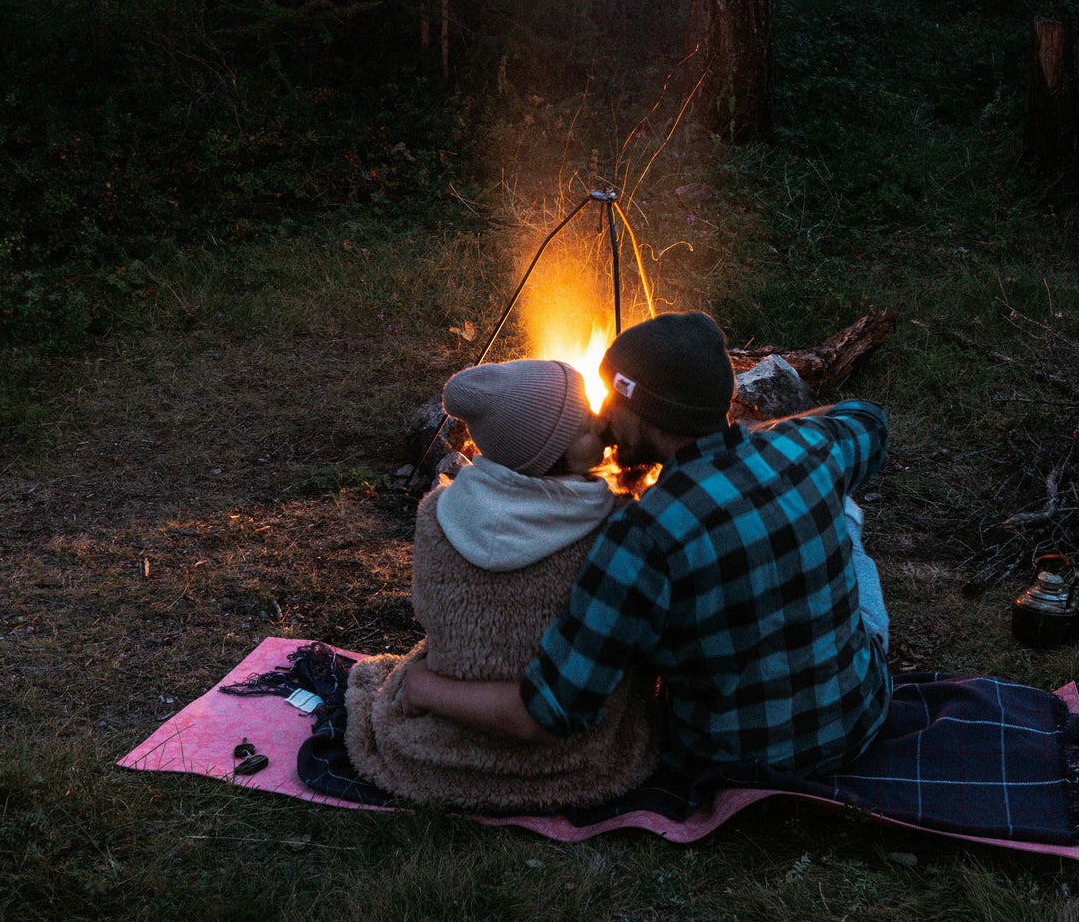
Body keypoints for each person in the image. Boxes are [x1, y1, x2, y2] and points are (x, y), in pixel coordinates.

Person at [401, 311, 893, 780]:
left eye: (613, 403)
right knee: (845, 519)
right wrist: (766, 438)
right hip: (859, 717)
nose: (604, 418)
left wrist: (422, 686)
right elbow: (870, 420)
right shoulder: (810, 445)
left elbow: (548, 711)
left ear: (653, 415)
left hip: (731, 758)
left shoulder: (642, 534)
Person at [343, 358, 659, 811]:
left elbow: (431, 614)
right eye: (584, 424)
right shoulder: (612, 525)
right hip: (569, 763)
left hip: (437, 755)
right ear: (552, 455)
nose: (601, 421)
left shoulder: (437, 513)